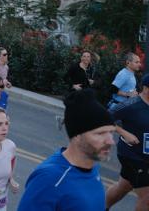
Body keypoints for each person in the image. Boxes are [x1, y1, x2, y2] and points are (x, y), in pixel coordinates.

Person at [17, 89, 115, 210]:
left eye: (111, 132)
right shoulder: (49, 178)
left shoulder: (92, 167)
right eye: (100, 133)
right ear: (77, 135)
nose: (111, 141)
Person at [105, 73, 149, 210]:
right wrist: (124, 133)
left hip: (145, 156)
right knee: (147, 198)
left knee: (123, 187)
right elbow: (104, 118)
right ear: (147, 88)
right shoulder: (132, 105)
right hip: (132, 156)